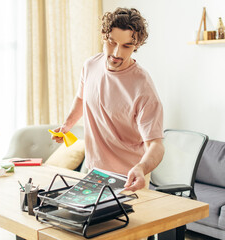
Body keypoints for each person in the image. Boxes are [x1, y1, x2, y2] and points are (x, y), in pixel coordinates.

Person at [52, 7, 164, 192]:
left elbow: (156, 145)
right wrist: (66, 125)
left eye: (126, 46)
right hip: (93, 170)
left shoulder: (144, 88)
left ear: (136, 46)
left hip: (129, 178)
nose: (117, 53)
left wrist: (141, 168)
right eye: (112, 43)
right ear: (104, 37)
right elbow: (82, 98)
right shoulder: (90, 66)